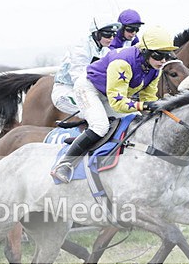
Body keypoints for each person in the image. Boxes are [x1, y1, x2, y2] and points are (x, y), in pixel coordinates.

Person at [50, 25, 178, 183]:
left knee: (137, 121)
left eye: (168, 55)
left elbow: (148, 97)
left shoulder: (155, 69)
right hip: (89, 88)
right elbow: (118, 103)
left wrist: (158, 109)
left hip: (109, 94)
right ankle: (65, 163)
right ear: (145, 51)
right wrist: (143, 106)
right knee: (100, 126)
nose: (163, 61)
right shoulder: (123, 62)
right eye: (159, 55)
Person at [51, 19, 121, 117]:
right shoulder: (80, 47)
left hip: (89, 92)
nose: (111, 38)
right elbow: (78, 78)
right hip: (67, 90)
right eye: (107, 35)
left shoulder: (105, 51)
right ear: (96, 33)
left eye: (114, 35)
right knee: (96, 117)